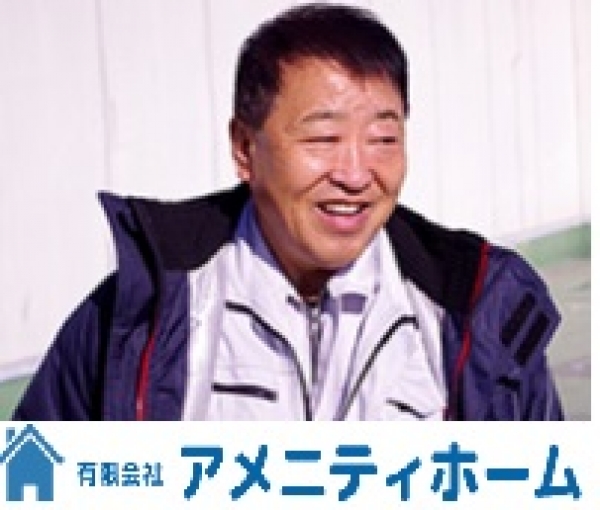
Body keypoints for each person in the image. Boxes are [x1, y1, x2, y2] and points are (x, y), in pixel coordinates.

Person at [13, 3, 563, 421]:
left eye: (383, 138)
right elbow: (34, 480)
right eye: (323, 138)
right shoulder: (142, 313)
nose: (356, 173)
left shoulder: (478, 309)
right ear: (244, 148)